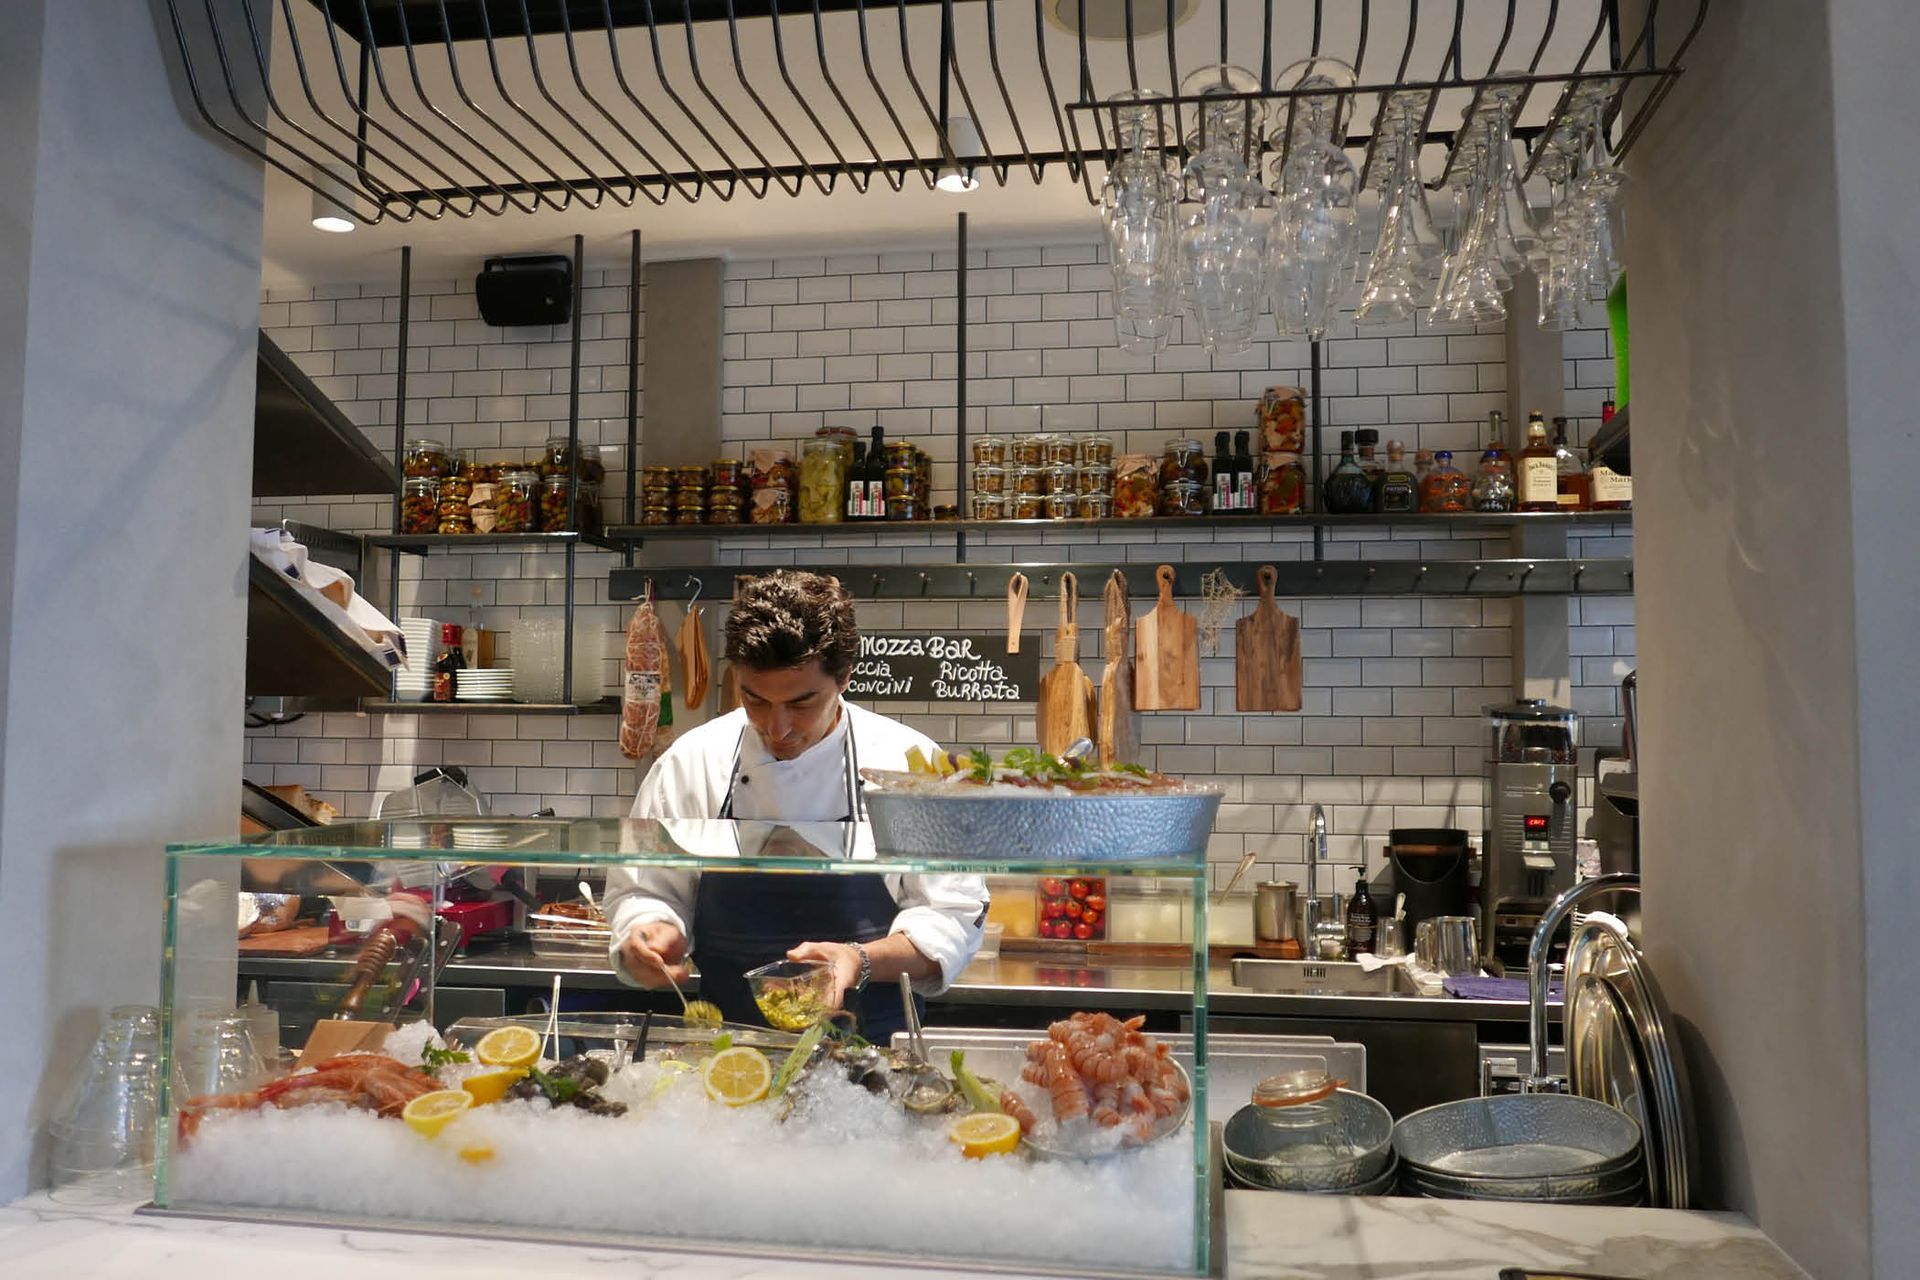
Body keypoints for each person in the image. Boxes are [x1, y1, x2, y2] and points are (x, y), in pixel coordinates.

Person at [603, 570, 988, 1040]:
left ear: (844, 678)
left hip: (875, 1049)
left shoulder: (906, 764)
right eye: (755, 699)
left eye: (802, 704)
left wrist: (858, 959)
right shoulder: (692, 761)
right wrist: (649, 931)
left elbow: (951, 915)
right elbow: (643, 889)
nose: (777, 727)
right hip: (727, 1053)